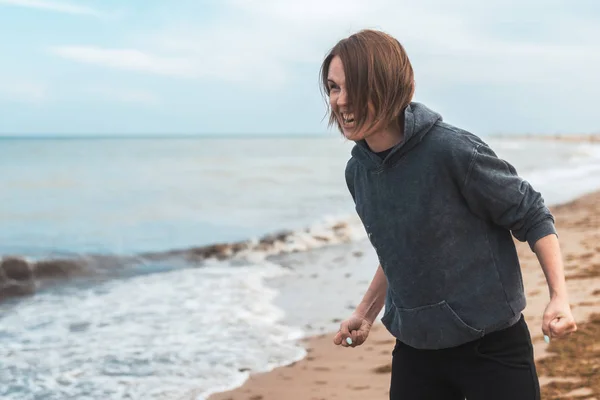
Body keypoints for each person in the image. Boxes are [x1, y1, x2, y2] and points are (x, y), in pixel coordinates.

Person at [320, 29, 577, 400]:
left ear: (386, 86)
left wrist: (559, 297)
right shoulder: (358, 172)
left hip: (492, 348)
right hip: (416, 351)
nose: (339, 101)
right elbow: (398, 249)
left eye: (351, 87)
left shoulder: (452, 151)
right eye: (332, 87)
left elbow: (532, 215)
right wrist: (366, 312)